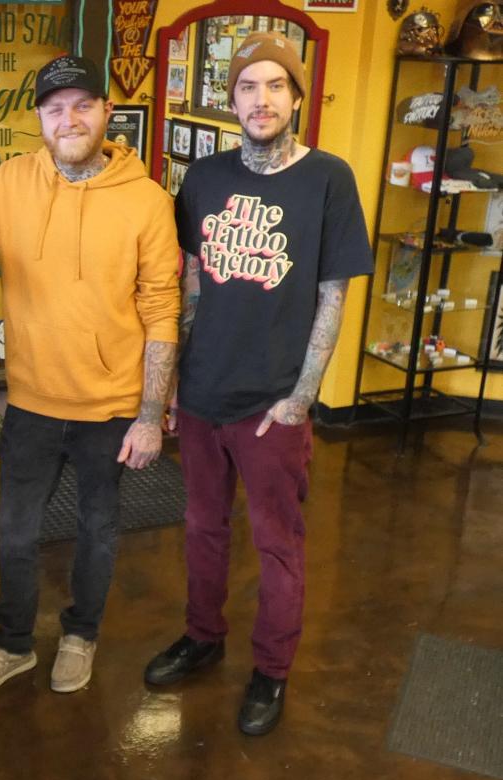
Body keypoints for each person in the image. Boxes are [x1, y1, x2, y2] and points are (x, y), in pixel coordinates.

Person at [0, 54, 181, 699]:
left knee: (97, 529)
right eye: (54, 108)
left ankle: (81, 635)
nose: (69, 119)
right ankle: (13, 643)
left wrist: (151, 414)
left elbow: (160, 308)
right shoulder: (11, 181)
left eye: (82, 105)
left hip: (112, 404)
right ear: (39, 118)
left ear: (106, 112)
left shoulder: (147, 201)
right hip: (32, 401)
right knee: (15, 532)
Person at [143, 31, 372, 736]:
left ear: (297, 97)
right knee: (202, 528)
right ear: (231, 98)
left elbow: (331, 296)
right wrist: (177, 379)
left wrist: (302, 396)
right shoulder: (204, 178)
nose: (261, 99)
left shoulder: (328, 179)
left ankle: (271, 670)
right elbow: (190, 285)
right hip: (206, 391)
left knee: (278, 544)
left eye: (276, 85)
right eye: (248, 86)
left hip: (274, 402)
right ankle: (203, 635)